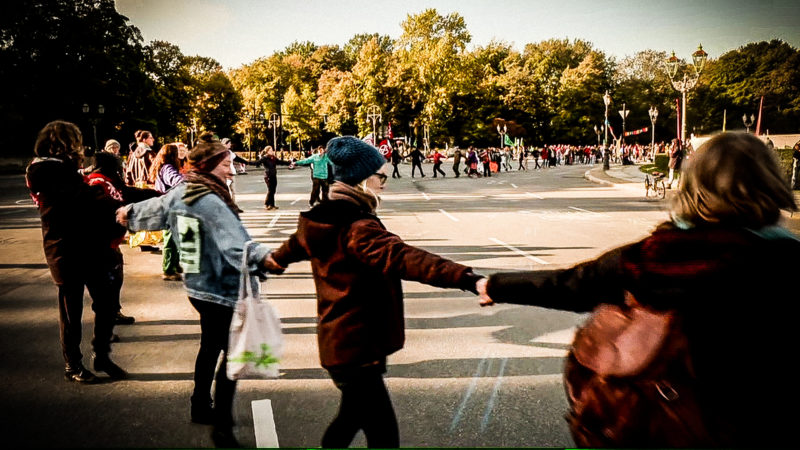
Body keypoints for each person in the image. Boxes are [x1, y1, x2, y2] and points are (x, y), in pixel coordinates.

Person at [477, 132, 799, 447]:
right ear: (771, 183)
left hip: (671, 425)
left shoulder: (653, 257)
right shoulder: (786, 260)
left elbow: (570, 285)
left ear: (694, 186)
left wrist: (496, 285)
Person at [263, 136, 484, 448]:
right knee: (382, 434)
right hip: (357, 346)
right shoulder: (357, 227)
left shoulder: (321, 218)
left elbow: (293, 246)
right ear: (361, 180)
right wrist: (469, 279)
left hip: (343, 343)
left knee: (350, 421)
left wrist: (274, 261)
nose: (385, 182)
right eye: (380, 176)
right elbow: (406, 258)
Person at [117, 136, 277, 448]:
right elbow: (237, 244)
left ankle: (201, 405)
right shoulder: (209, 199)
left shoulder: (186, 189)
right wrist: (267, 259)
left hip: (198, 286)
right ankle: (221, 427)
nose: (232, 171)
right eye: (227, 164)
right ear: (209, 166)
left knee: (210, 346)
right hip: (220, 287)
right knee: (233, 355)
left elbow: (156, 206)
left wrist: (128, 213)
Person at [26, 121, 128, 383]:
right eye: (76, 141)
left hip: (85, 246)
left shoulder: (61, 168)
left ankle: (100, 355)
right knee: (72, 312)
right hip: (66, 248)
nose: (80, 146)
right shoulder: (46, 169)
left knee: (105, 303)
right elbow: (85, 199)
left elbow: (84, 193)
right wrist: (121, 206)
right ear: (64, 143)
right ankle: (73, 364)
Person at [150, 144, 186, 281]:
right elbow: (177, 181)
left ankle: (174, 264)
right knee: (171, 239)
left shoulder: (163, 166)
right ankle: (168, 270)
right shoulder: (168, 168)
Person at [255, 145, 292, 210]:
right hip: (268, 176)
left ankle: (272, 204)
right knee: (270, 190)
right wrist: (248, 162)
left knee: (273, 190)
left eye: (272, 150)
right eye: (271, 150)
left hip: (274, 175)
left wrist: (289, 163)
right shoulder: (265, 158)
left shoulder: (273, 158)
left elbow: (280, 162)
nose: (272, 151)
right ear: (267, 151)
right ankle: (266, 204)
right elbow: (257, 162)